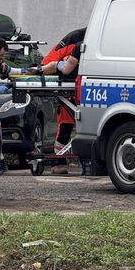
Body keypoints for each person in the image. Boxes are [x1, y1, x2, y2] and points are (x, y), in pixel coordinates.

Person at [37, 29, 85, 174]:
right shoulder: (73, 40)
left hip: (84, 88)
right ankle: (58, 161)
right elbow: (45, 65)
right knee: (65, 126)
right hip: (72, 90)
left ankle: (89, 160)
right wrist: (58, 65)